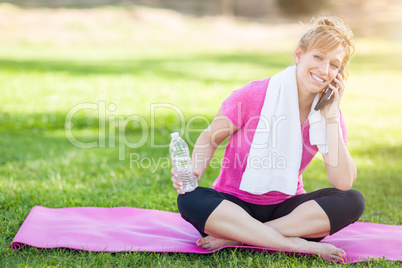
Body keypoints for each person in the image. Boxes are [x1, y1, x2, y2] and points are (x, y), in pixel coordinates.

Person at [170, 16, 365, 262]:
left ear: (339, 74)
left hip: (287, 212)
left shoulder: (328, 114)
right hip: (233, 206)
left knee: (353, 201)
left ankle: (241, 238)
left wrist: (330, 118)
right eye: (318, 57)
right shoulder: (254, 94)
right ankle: (297, 245)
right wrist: (195, 172)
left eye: (334, 64)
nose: (324, 70)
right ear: (298, 55)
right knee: (190, 199)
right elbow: (209, 138)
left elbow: (344, 182)